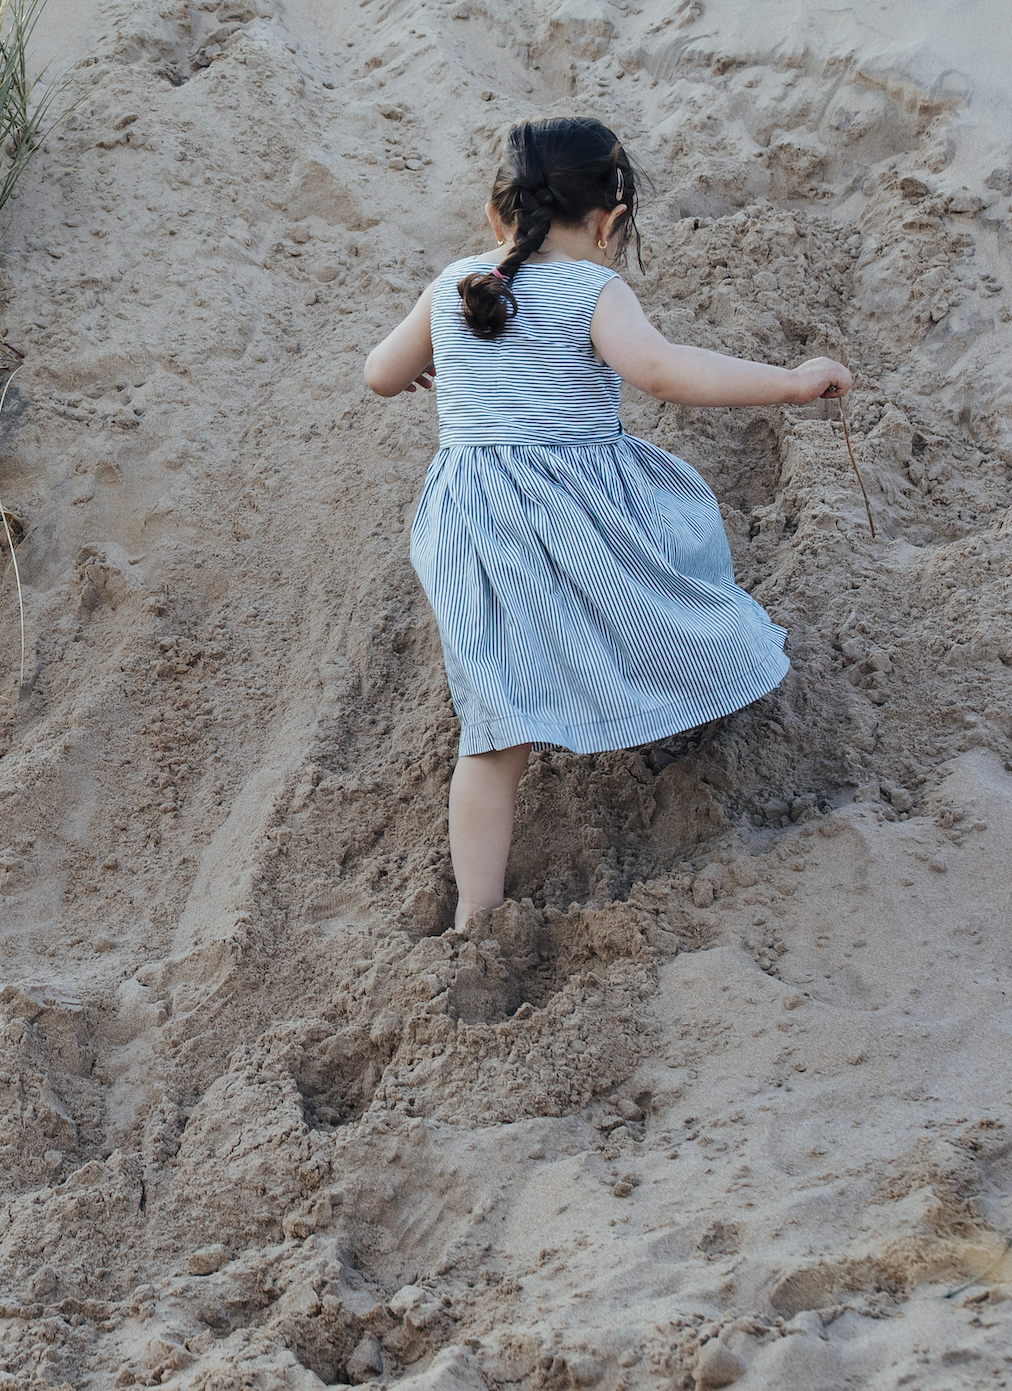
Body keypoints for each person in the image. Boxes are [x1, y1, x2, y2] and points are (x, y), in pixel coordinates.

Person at [360, 118, 849, 933]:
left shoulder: (454, 286)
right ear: (610, 219)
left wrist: (430, 365)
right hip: (572, 506)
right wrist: (793, 382)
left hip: (471, 524)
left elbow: (380, 374)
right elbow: (662, 371)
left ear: (500, 213)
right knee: (656, 589)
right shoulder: (594, 289)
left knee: (492, 726)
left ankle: (477, 913)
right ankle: (675, 707)